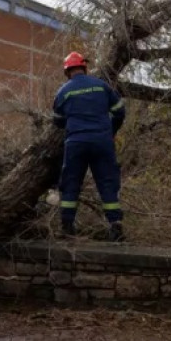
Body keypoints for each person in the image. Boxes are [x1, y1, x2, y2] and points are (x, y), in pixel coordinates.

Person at [52, 52, 127, 241]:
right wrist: (111, 131)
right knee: (107, 182)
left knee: (71, 183)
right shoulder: (102, 86)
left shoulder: (63, 91)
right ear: (84, 67)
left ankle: (67, 226)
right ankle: (115, 225)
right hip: (102, 142)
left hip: (76, 143)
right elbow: (119, 111)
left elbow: (58, 121)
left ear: (67, 71)